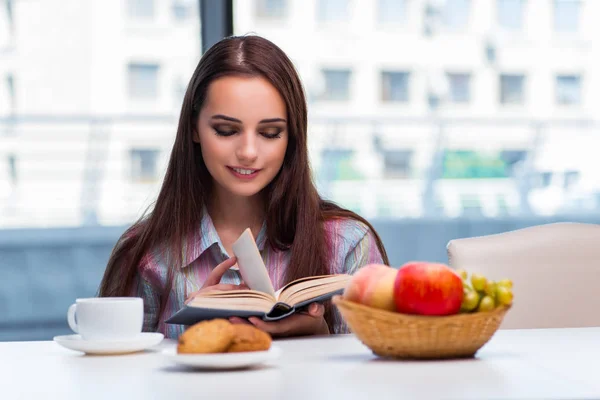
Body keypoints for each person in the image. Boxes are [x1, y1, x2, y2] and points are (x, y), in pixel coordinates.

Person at [98, 34, 389, 339]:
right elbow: (117, 378)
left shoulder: (348, 243)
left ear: (291, 137)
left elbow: (378, 376)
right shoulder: (146, 254)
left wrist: (318, 332)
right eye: (226, 130)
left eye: (270, 132)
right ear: (194, 128)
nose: (248, 151)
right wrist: (195, 338)